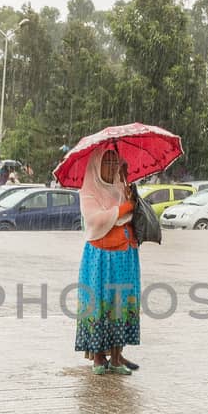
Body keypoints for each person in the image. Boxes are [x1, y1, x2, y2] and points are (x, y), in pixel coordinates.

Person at [75, 147, 140, 376]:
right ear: (96, 165)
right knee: (100, 302)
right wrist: (124, 209)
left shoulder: (122, 187)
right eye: (107, 162)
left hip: (125, 256)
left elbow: (131, 215)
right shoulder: (89, 191)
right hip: (100, 258)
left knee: (121, 304)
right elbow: (96, 220)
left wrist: (127, 186)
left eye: (115, 161)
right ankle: (98, 358)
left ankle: (116, 356)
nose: (111, 166)